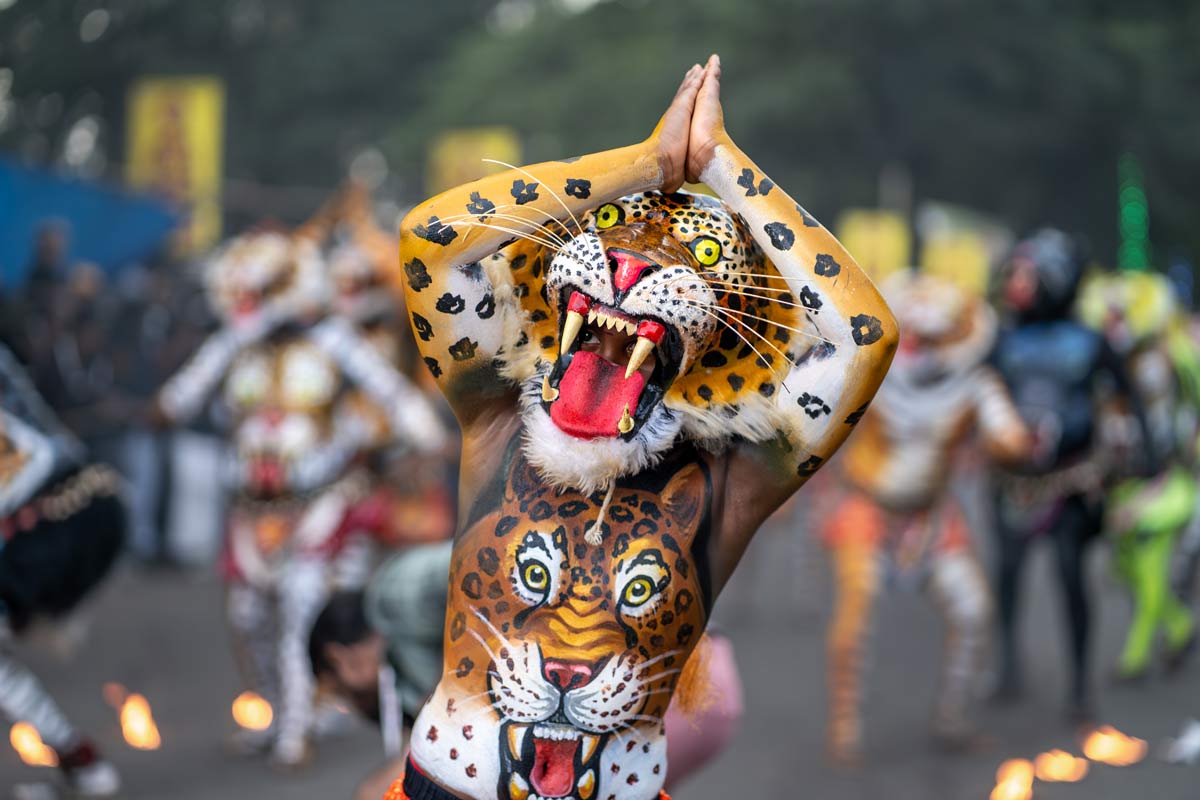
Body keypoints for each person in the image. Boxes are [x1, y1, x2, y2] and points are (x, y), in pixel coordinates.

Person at [386, 55, 897, 800]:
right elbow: (428, 238)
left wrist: (722, 165)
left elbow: (864, 336)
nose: (631, 265)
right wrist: (645, 164)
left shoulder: (727, 487)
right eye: (615, 237)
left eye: (695, 255)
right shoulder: (496, 418)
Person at [156, 229, 446, 767]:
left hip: (318, 504)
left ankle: (295, 732)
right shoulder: (234, 343)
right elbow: (182, 392)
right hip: (251, 510)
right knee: (246, 620)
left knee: (297, 613)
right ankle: (271, 713)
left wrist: (427, 437)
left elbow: (392, 392)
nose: (250, 308)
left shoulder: (335, 341)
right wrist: (163, 405)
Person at [819, 271, 1031, 763]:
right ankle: (844, 728)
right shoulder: (872, 367)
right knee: (857, 611)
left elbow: (1009, 433)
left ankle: (951, 719)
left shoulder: (974, 383)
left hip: (930, 520)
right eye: (908, 332)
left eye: (927, 336)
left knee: (974, 610)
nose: (914, 344)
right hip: (867, 510)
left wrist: (1017, 444)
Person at [990, 229, 1152, 721]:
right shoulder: (1004, 339)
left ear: (1055, 279)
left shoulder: (1091, 342)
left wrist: (1148, 460)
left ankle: (1080, 685)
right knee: (1008, 574)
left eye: (1026, 274)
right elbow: (978, 393)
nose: (1016, 283)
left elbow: (1132, 397)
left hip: (1073, 480)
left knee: (1069, 575)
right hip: (1013, 483)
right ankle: (1008, 668)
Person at [0, 343, 125, 797]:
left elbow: (27, 459)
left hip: (66, 518)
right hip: (67, 517)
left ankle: (80, 760)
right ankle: (80, 761)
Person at [1078, 269, 1200, 679]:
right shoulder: (1105, 361)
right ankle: (1181, 624)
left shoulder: (1176, 354)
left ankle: (1135, 656)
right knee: (1122, 567)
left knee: (1150, 568)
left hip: (1165, 479)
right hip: (1122, 481)